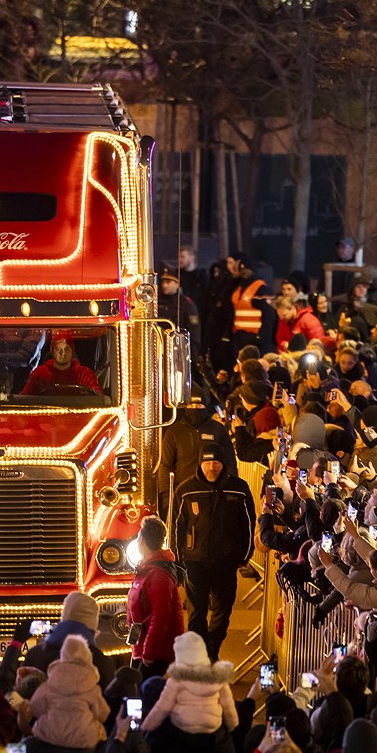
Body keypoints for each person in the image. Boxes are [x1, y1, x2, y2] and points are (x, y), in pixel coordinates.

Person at [172, 442, 255, 661]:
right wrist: (179, 559)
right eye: (207, 462)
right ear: (200, 463)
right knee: (197, 612)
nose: (212, 467)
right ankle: (199, 655)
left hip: (226, 562)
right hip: (195, 560)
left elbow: (248, 523)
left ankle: (212, 649)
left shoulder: (239, 488)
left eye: (216, 462)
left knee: (222, 611)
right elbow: (176, 526)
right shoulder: (186, 489)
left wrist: (244, 555)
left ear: (223, 463)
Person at [18, 634, 110, 753]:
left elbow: (36, 708)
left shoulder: (50, 684)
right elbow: (103, 714)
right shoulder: (92, 686)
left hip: (49, 744)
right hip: (83, 748)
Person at [156, 384, 235, 518]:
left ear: (206, 405)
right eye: (191, 406)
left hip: (214, 493)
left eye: (199, 406)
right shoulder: (174, 432)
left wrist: (231, 491)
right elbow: (166, 465)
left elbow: (230, 461)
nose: (195, 409)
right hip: (184, 495)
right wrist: (166, 496)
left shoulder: (218, 430)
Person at [127, 516, 186, 680]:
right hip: (144, 645)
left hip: (156, 651)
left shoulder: (158, 575)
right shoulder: (149, 568)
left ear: (142, 540)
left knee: (141, 693)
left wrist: (149, 653)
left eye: (139, 535)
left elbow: (160, 618)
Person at [21, 331, 101, 396]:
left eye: (66, 349)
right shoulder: (39, 373)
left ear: (72, 352)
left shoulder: (84, 374)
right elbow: (25, 398)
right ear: (52, 352)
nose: (62, 353)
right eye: (58, 349)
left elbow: (97, 397)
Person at [157, 267, 201, 357]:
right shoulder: (157, 302)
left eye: (168, 282)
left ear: (177, 284)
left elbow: (194, 330)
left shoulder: (185, 304)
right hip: (160, 347)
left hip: (179, 349)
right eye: (163, 282)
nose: (164, 285)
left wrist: (192, 353)